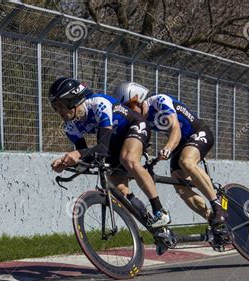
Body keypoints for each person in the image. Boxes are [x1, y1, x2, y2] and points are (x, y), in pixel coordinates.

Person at [49, 77, 172, 237]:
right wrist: (66, 164)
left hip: (134, 126)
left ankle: (159, 211)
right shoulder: (70, 126)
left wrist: (77, 154)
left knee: (128, 159)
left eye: (60, 105)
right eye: (54, 107)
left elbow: (101, 148)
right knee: (120, 190)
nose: (58, 112)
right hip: (114, 141)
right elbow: (87, 157)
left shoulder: (98, 103)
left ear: (73, 99)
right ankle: (157, 229)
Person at [113, 82, 229, 234]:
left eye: (130, 106)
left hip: (198, 133)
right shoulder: (140, 120)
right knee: (180, 187)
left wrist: (167, 148)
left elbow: (176, 130)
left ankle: (217, 207)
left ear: (139, 100)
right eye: (125, 109)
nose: (129, 111)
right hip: (180, 145)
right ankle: (213, 219)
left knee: (186, 161)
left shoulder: (160, 101)